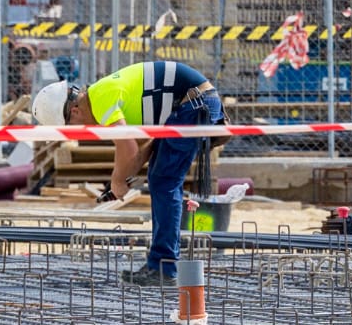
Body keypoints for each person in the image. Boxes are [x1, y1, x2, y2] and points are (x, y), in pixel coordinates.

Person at [33, 60, 223, 288]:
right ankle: (160, 265)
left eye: (69, 128)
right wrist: (122, 180)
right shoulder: (101, 98)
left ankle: (164, 267)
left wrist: (117, 181)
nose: (74, 135)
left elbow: (128, 147)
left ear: (74, 111)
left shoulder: (101, 100)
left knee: (165, 182)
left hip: (192, 105)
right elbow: (142, 147)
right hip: (188, 105)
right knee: (160, 178)